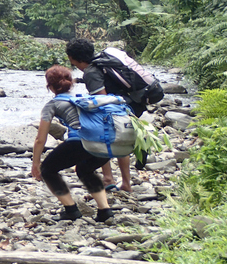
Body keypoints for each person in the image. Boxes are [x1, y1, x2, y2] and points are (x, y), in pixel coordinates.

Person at [30, 65, 114, 222]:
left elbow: (40, 139)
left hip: (80, 141)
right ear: (71, 83)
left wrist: (36, 163)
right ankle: (105, 211)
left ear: (49, 86)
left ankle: (71, 210)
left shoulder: (52, 104)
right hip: (107, 143)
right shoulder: (84, 98)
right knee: (85, 169)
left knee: (48, 169)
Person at [65, 37, 146, 192]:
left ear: (74, 58)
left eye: (71, 61)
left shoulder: (91, 72)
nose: (72, 64)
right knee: (122, 137)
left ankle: (108, 178)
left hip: (119, 108)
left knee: (103, 134)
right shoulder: (101, 62)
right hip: (134, 102)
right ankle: (126, 183)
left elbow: (102, 101)